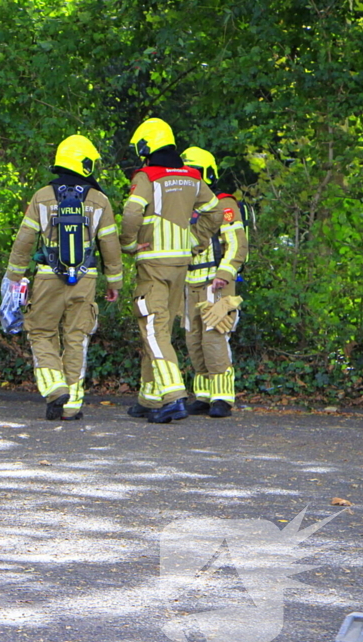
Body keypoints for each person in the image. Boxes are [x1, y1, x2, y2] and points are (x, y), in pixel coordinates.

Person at [4, 134, 123, 421]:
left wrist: (14, 276)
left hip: (48, 276)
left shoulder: (42, 196)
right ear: (85, 163)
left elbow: (25, 239)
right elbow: (109, 243)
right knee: (77, 337)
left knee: (41, 332)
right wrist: (114, 281)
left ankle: (54, 387)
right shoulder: (100, 200)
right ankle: (72, 406)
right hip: (86, 278)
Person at [121, 118, 222, 424]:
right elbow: (215, 212)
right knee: (160, 329)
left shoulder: (147, 176)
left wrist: (129, 244)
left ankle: (173, 396)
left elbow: (131, 212)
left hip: (153, 263)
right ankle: (149, 397)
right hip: (180, 264)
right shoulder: (192, 176)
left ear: (145, 146)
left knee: (153, 328)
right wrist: (195, 241)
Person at [181, 146, 248, 418]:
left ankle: (222, 397)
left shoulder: (224, 204)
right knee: (193, 340)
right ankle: (203, 395)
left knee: (214, 338)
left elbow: (237, 244)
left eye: (195, 173)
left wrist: (224, 274)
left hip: (215, 283)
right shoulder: (182, 206)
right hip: (189, 283)